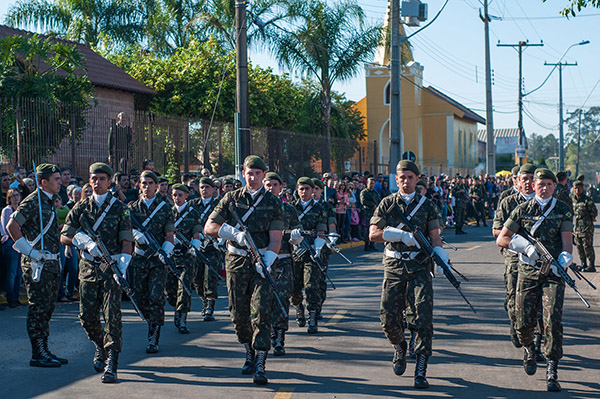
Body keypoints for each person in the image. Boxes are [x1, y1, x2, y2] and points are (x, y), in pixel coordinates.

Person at [204, 155, 283, 385]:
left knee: (261, 313)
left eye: (258, 173)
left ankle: (260, 360)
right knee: (238, 315)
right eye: (250, 173)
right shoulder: (230, 199)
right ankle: (248, 349)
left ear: (263, 175)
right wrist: (233, 233)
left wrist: (266, 260)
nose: (253, 177)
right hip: (236, 261)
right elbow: (210, 227)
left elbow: (276, 239)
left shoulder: (273, 203)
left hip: (262, 262)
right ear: (243, 173)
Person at [369, 160, 446, 389]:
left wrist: (441, 257)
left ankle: (421, 369)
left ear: (417, 179)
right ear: (396, 179)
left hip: (419, 267)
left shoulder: (428, 205)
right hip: (394, 266)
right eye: (402, 177)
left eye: (410, 177)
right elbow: (373, 234)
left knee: (422, 317)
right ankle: (400, 345)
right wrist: (397, 236)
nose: (406, 181)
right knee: (388, 319)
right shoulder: (387, 203)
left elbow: (434, 236)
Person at [496, 168, 573, 392]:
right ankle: (529, 347)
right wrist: (524, 246)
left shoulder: (562, 210)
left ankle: (552, 368)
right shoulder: (522, 209)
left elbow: (567, 242)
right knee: (523, 321)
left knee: (552, 321)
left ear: (554, 186)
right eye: (541, 184)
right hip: (528, 271)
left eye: (550, 184)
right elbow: (502, 238)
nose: (545, 188)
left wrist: (565, 257)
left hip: (553, 274)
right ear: (534, 185)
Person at [60, 162, 133, 383]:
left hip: (111, 269)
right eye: (93, 178)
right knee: (86, 317)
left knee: (113, 317)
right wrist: (82, 241)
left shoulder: (120, 208)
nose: (97, 182)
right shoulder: (81, 208)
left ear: (110, 181)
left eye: (102, 179)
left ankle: (112, 361)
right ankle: (100, 345)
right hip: (89, 269)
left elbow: (126, 242)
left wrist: (122, 264)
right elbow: (64, 236)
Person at [6, 163, 67, 367]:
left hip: (50, 263)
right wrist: (30, 252)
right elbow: (12, 226)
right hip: (36, 264)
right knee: (38, 308)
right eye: (56, 179)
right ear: (44, 182)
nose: (60, 182)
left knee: (47, 308)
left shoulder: (49, 202)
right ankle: (37, 353)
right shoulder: (33, 201)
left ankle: (45, 349)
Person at [128, 170, 175, 354]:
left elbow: (170, 235)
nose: (147, 186)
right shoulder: (131, 208)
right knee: (139, 299)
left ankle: (153, 334)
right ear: (139, 185)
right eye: (143, 183)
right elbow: (125, 229)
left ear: (156, 186)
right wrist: (135, 234)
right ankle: (151, 320)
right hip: (139, 258)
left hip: (157, 260)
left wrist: (166, 251)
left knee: (156, 296)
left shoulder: (165, 208)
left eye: (150, 183)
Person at [492, 164, 538, 351]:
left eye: (531, 179)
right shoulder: (508, 202)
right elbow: (496, 230)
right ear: (517, 181)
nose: (527, 183)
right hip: (514, 255)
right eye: (524, 179)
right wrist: (517, 240)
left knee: (537, 300)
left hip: (537, 257)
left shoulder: (546, 203)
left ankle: (534, 342)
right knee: (513, 298)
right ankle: (515, 323)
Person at [264, 172, 302, 356]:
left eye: (274, 185)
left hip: (283, 260)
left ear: (281, 188)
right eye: (268, 185)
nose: (271, 188)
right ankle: (268, 332)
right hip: (261, 261)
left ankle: (279, 337)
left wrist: (296, 237)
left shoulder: (289, 210)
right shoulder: (256, 208)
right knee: (264, 300)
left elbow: (298, 231)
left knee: (281, 299)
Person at [290, 177, 327, 334]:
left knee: (312, 286)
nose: (304, 192)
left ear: (313, 191)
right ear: (297, 191)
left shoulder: (320, 209)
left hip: (311, 253)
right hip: (294, 253)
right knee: (295, 288)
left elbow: (321, 232)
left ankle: (313, 317)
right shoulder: (290, 208)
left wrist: (317, 248)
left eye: (307, 189)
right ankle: (299, 308)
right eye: (301, 189)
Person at [166, 183, 202, 334]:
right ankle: (177, 308)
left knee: (184, 287)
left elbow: (197, 234)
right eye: (174, 195)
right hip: (170, 256)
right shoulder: (167, 212)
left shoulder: (193, 213)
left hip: (186, 257)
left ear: (187, 195)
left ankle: (182, 317)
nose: (177, 198)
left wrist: (194, 246)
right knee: (170, 290)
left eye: (180, 195)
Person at [189, 177, 221, 321]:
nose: (204, 190)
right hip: (196, 246)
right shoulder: (192, 204)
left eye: (208, 187)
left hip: (212, 246)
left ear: (214, 189)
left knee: (210, 276)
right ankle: (203, 299)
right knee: (197, 278)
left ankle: (210, 306)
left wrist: (220, 240)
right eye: (202, 187)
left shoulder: (218, 204)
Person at [312, 178, 337, 321]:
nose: (314, 192)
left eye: (317, 189)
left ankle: (317, 307)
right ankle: (300, 307)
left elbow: (332, 225)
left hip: (322, 247)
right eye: (312, 188)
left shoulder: (327, 207)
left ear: (322, 190)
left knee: (320, 278)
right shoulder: (297, 206)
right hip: (302, 247)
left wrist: (332, 239)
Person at [1, 188, 23, 308]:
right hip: (10, 242)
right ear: (9, 199)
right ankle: (10, 297)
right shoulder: (7, 211)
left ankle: (16, 296)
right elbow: (6, 228)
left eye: (17, 195)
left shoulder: (21, 210)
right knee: (12, 271)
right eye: (13, 196)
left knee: (19, 272)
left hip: (20, 242)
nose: (15, 197)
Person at [571, 181, 597, 272]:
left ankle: (591, 265)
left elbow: (594, 212)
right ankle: (583, 264)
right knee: (579, 246)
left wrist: (591, 218)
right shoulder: (573, 200)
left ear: (582, 189)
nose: (577, 190)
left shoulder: (587, 200)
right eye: (575, 188)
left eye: (579, 188)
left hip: (587, 227)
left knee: (587, 246)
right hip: (577, 228)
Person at [360, 177, 381, 251]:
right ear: (367, 183)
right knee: (368, 229)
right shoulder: (364, 192)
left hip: (375, 213)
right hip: (367, 212)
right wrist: (372, 205)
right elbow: (363, 201)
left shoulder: (375, 193)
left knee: (374, 228)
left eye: (373, 184)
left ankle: (372, 245)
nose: (372, 185)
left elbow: (379, 201)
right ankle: (367, 245)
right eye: (370, 183)